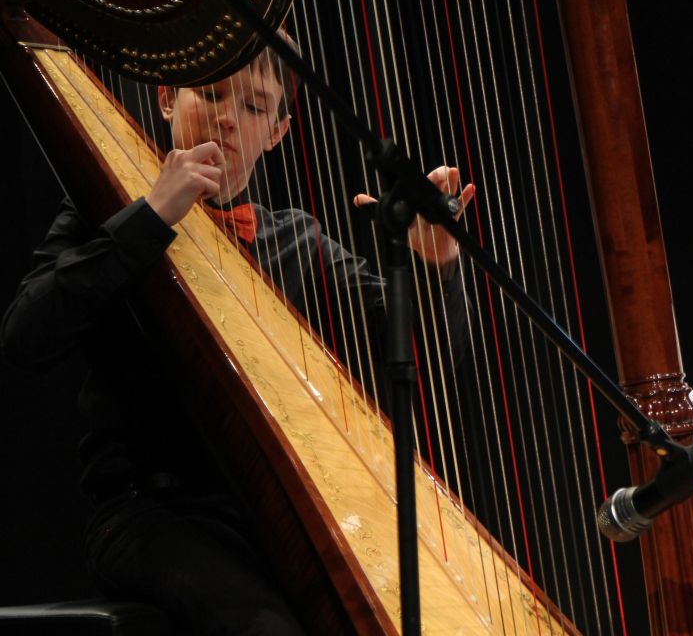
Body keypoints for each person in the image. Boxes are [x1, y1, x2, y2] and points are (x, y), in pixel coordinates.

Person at [1, 43, 475, 634]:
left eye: (253, 107)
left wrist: (436, 264)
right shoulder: (105, 208)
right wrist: (150, 217)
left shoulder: (297, 242)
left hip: (284, 523)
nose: (228, 118)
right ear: (167, 98)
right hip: (151, 517)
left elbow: (430, 356)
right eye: (210, 94)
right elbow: (24, 334)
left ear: (277, 132)